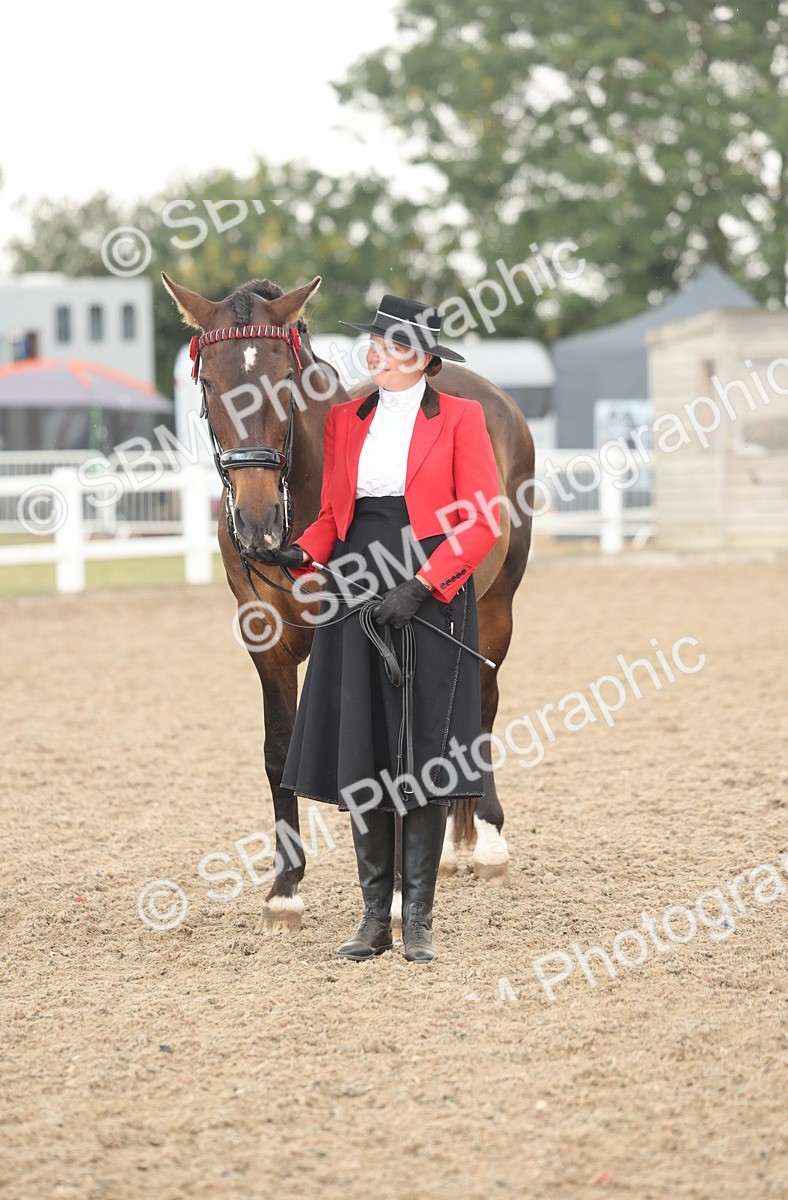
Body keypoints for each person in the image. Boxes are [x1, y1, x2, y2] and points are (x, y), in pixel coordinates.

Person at [270, 294, 500, 963]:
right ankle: (374, 917)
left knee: (422, 754)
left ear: (424, 359)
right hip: (354, 584)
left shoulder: (461, 417)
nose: (379, 354)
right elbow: (339, 515)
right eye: (375, 342)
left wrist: (424, 584)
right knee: (365, 749)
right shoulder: (345, 419)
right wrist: (305, 551)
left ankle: (419, 919)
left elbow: (481, 517)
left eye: (395, 346)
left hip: (430, 582)